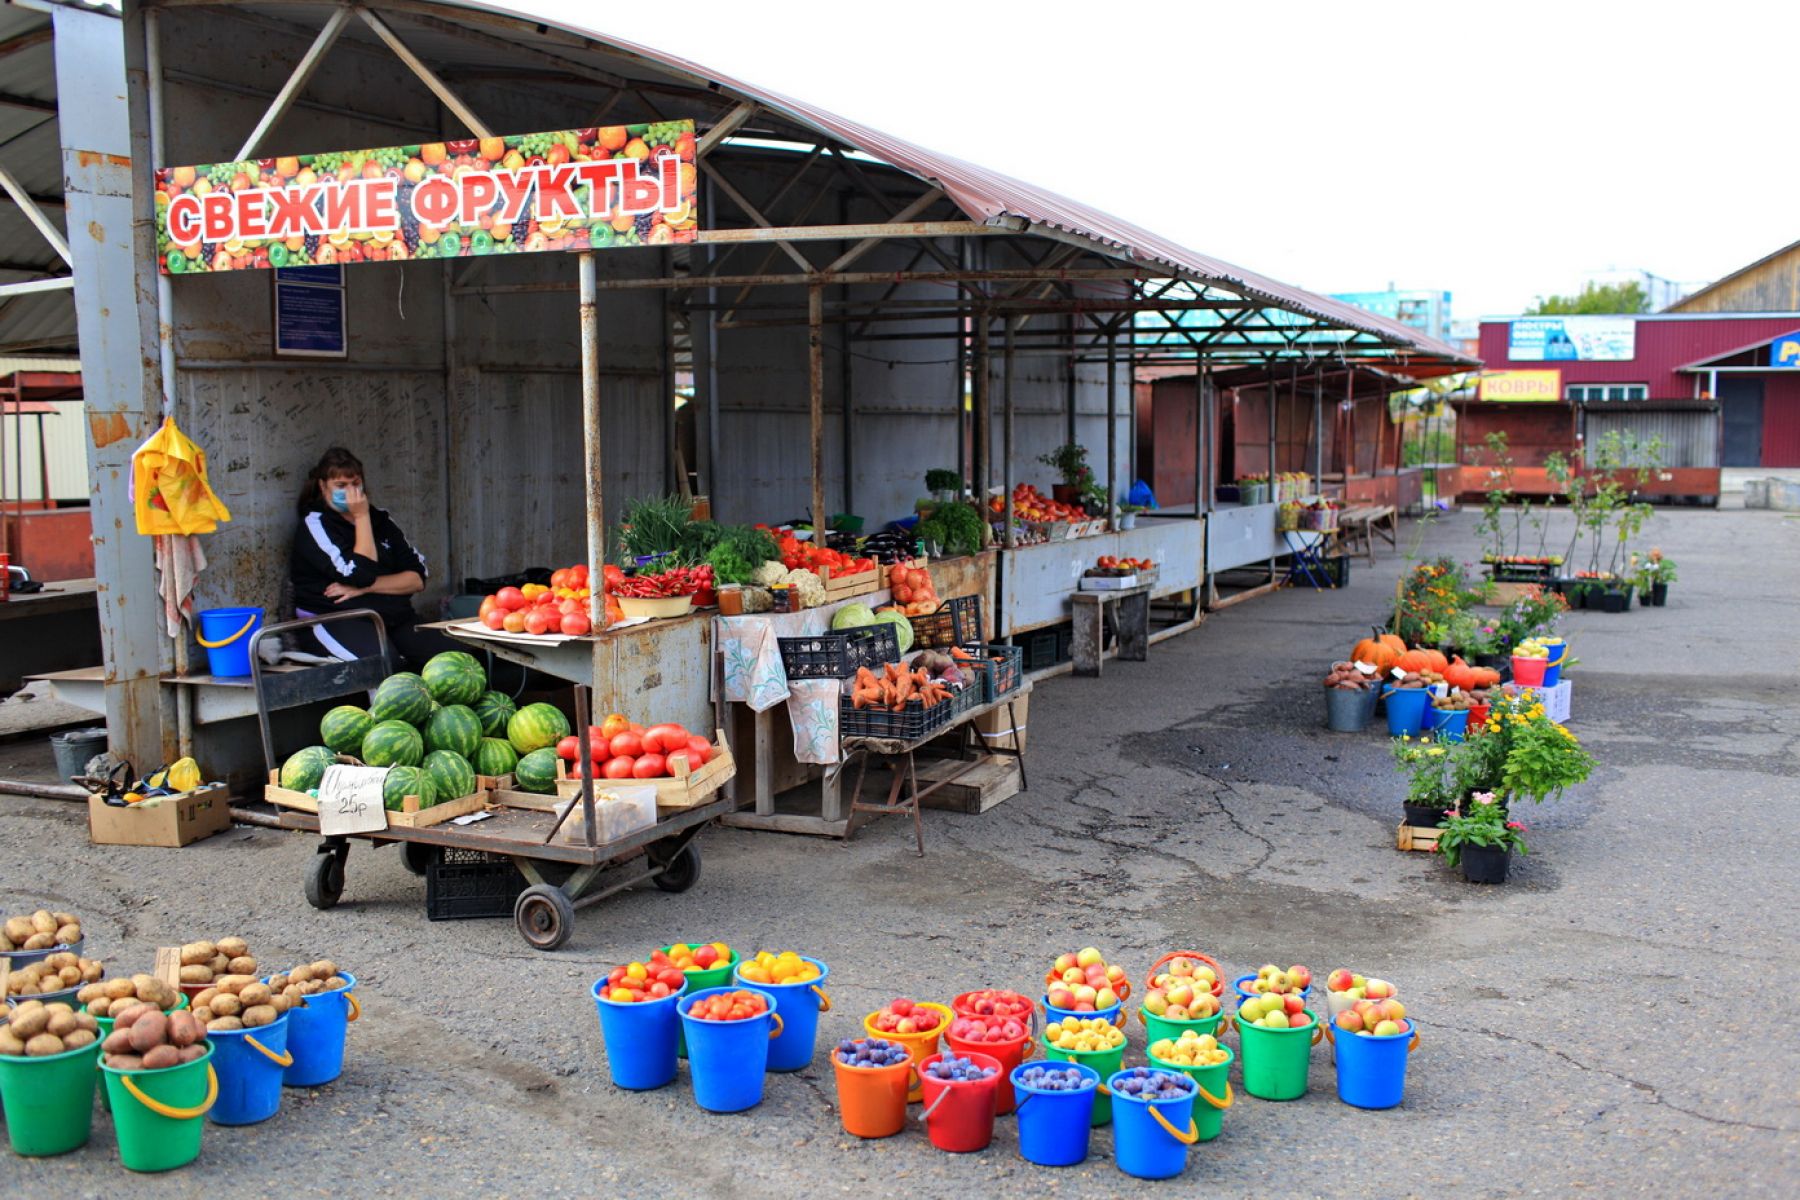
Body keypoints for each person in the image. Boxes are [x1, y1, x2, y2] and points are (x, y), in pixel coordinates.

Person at [290, 447, 455, 668]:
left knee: (453, 659)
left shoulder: (381, 520)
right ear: (323, 486)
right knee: (385, 665)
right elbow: (360, 574)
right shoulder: (316, 524)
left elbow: (416, 578)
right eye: (341, 485)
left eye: (355, 483)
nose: (351, 492)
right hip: (334, 618)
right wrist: (361, 517)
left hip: (391, 615)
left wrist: (365, 589)